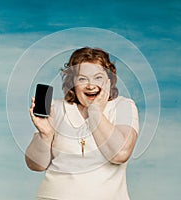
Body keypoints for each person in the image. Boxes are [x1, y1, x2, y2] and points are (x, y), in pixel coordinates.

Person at [26, 47, 139, 200]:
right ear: (72, 82)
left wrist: (95, 112)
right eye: (82, 79)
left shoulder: (123, 106)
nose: (90, 85)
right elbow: (35, 165)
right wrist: (45, 135)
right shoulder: (56, 108)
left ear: (109, 81)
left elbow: (120, 154)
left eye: (98, 78)